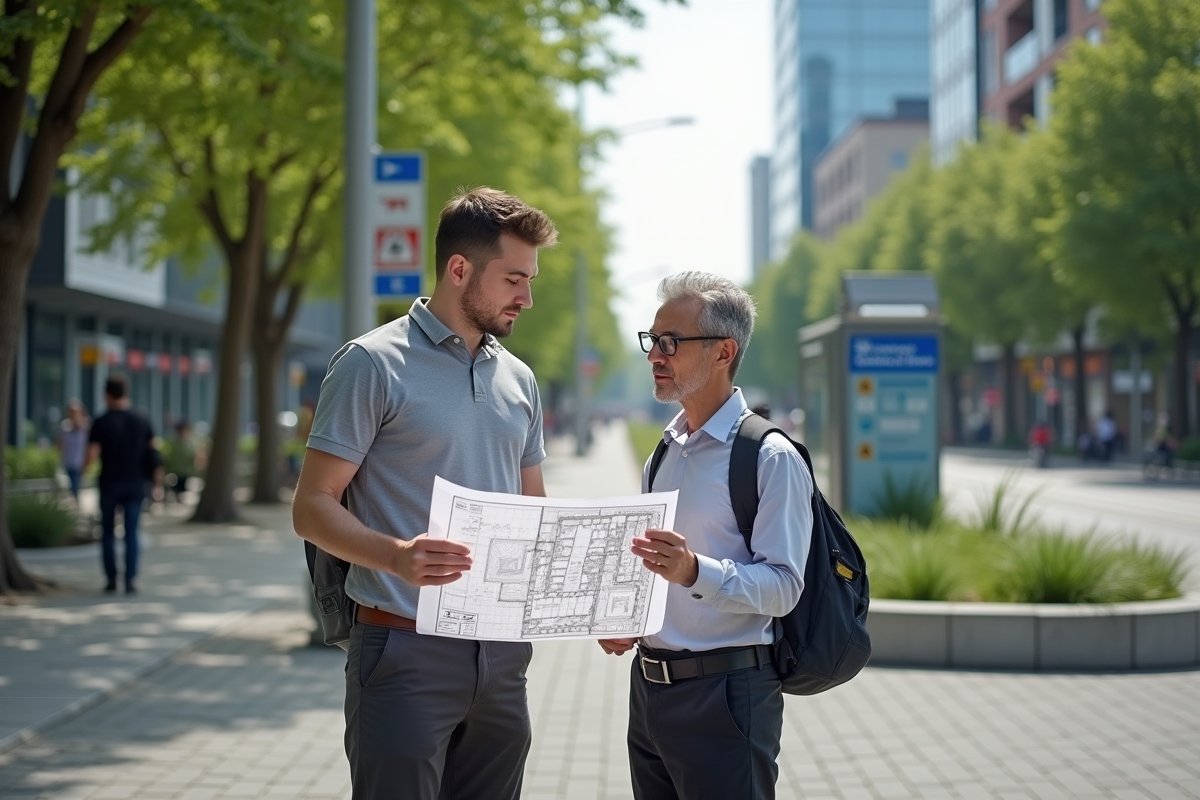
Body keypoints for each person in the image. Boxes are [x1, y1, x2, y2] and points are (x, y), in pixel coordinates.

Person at [292, 187, 558, 800]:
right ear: (459, 269)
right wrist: (393, 555)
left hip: (501, 658)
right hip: (402, 648)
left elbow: (535, 514)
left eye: (530, 279)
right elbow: (311, 507)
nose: (527, 297)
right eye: (514, 279)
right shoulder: (370, 363)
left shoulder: (519, 379)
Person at [597, 272, 813, 800]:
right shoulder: (664, 452)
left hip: (728, 695)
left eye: (670, 343)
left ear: (723, 352)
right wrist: (628, 621)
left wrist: (695, 570)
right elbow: (655, 568)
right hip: (649, 690)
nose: (655, 355)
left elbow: (784, 587)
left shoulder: (770, 457)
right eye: (651, 341)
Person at [84, 374, 159, 594]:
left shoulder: (101, 421)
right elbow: (153, 453)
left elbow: (92, 454)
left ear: (107, 394)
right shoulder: (142, 419)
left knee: (107, 532)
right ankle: (130, 580)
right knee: (131, 533)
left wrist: (80, 474)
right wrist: (157, 482)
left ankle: (110, 579)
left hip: (109, 483)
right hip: (136, 484)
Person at [57, 398, 90, 501]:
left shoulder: (86, 426)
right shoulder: (65, 426)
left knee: (75, 484)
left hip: (80, 461)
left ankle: (76, 503)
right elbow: (59, 444)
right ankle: (76, 503)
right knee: (72, 484)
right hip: (68, 461)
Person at [163, 420, 198, 502]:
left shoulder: (189, 443)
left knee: (182, 488)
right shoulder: (175, 443)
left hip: (185, 471)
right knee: (176, 487)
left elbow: (192, 457)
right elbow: (169, 457)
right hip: (175, 471)